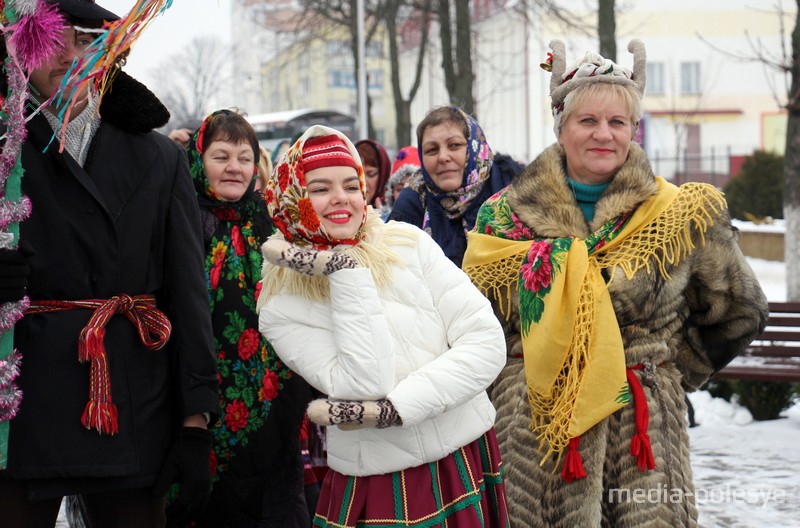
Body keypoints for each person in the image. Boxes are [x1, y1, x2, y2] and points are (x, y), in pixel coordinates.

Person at [461, 39, 769, 527]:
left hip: (641, 436)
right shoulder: (502, 218)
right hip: (535, 436)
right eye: (588, 121)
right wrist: (515, 382)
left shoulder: (679, 213)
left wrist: (664, 372)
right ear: (562, 127)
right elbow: (472, 324)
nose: (603, 134)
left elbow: (740, 310)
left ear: (633, 129)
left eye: (617, 122)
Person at [0, 1, 219, 527]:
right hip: (23, 406)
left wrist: (195, 422)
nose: (69, 55)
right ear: (22, 47)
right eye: (53, 39)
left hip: (131, 399)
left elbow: (187, 294)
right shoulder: (5, 153)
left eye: (86, 41)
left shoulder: (160, 158)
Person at [257, 125, 510, 528]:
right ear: (292, 199)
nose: (341, 198)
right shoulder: (281, 304)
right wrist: (344, 269)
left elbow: (486, 344)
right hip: (380, 478)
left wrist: (398, 409)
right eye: (320, 188)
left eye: (350, 185)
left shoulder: (408, 242)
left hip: (464, 452)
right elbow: (365, 385)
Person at [185, 110, 312, 527]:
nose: (234, 168)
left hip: (275, 395)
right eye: (221, 156)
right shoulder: (182, 218)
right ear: (198, 160)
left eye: (244, 157)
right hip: (202, 396)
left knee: (274, 501)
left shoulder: (273, 221)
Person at [388, 106, 523, 267]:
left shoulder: (517, 192)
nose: (443, 157)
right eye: (432, 150)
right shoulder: (411, 205)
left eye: (454, 145)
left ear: (475, 148)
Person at [382, 145, 421, 217]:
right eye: (399, 189)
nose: (405, 195)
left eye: (411, 189)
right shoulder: (382, 224)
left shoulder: (431, 224)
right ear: (392, 193)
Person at [354, 138, 391, 211]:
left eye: (371, 174)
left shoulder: (397, 216)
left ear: (382, 177)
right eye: (357, 174)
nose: (363, 182)